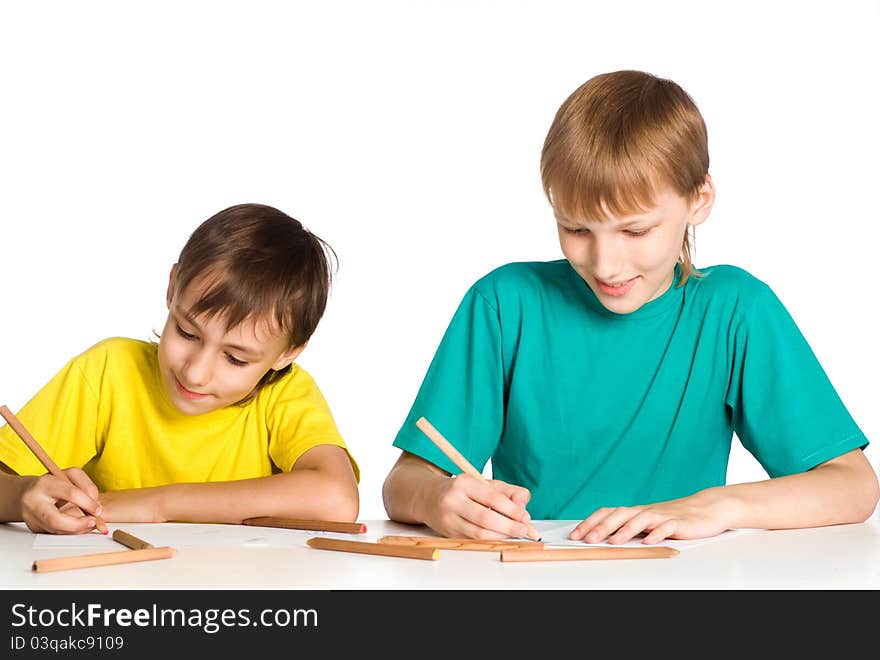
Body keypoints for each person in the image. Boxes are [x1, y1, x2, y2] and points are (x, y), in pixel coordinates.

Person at [382, 70, 878, 543]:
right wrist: (435, 499)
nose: (605, 264)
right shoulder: (504, 304)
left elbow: (852, 486)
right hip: (535, 579)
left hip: (678, 584)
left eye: (635, 230)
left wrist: (715, 507)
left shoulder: (735, 311)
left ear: (699, 200)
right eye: (576, 229)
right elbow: (404, 482)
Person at [0, 203, 359, 534]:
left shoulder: (285, 394)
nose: (195, 373)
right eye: (187, 332)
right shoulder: (109, 370)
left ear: (286, 355)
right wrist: (23, 494)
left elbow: (337, 498)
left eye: (235, 358)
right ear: (172, 287)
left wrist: (158, 504)